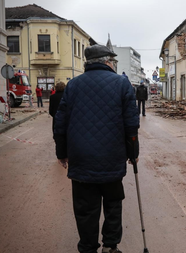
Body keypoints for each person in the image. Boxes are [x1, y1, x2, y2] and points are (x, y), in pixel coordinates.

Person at [53, 44, 140, 253]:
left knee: (85, 210)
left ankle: (88, 248)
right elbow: (131, 123)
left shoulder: (73, 85)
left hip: (81, 159)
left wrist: (62, 153)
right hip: (112, 157)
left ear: (87, 63)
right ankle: (110, 247)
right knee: (113, 204)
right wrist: (133, 153)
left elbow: (60, 123)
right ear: (107, 62)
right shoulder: (122, 83)